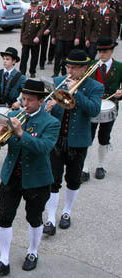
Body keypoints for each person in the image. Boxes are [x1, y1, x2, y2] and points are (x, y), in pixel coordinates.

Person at [0, 80, 60, 275]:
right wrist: (0, 133)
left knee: (34, 218)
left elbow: (43, 148)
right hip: (11, 176)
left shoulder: (51, 123)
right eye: (23, 99)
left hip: (37, 180)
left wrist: (20, 132)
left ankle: (33, 252)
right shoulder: (12, 115)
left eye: (30, 100)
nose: (25, 103)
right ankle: (3, 260)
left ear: (41, 101)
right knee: (4, 217)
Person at [43, 49, 103, 236]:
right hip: (57, 139)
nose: (69, 71)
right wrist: (50, 105)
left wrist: (75, 92)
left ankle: (67, 212)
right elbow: (47, 110)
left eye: (74, 68)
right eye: (68, 67)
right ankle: (51, 218)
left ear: (84, 69)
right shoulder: (59, 81)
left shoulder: (95, 87)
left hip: (78, 140)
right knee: (53, 179)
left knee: (73, 179)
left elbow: (93, 110)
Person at [82, 37, 122, 182]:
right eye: (99, 51)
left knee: (104, 137)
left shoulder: (119, 66)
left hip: (110, 106)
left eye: (104, 51)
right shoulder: (92, 65)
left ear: (111, 51)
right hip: (92, 105)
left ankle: (101, 166)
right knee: (88, 137)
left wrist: (120, 92)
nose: (101, 54)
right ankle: (84, 168)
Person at [0, 47, 25, 175]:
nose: (5, 61)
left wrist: (20, 101)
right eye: (3, 59)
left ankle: (12, 162)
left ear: (14, 61)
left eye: (8, 59)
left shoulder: (20, 76)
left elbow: (26, 93)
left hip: (11, 109)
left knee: (10, 136)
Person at [50, 0, 82, 77]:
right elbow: (54, 24)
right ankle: (56, 72)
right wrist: (53, 36)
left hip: (70, 37)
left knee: (67, 55)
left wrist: (77, 37)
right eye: (64, 0)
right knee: (58, 54)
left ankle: (65, 71)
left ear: (70, 0)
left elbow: (78, 26)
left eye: (67, 0)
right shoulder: (58, 10)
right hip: (59, 36)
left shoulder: (75, 10)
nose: (66, 2)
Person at [20, 0, 46, 78]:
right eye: (32, 6)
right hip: (26, 39)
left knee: (34, 57)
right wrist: (21, 38)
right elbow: (23, 28)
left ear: (37, 7)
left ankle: (32, 71)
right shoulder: (26, 15)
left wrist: (38, 37)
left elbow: (42, 28)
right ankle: (22, 72)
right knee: (24, 56)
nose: (33, 8)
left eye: (35, 6)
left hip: (35, 40)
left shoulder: (41, 16)